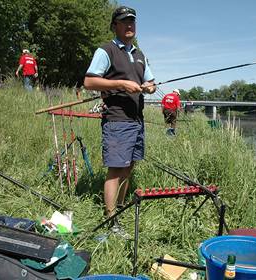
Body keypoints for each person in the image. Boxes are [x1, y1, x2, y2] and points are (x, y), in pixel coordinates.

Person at [84, 6, 156, 236]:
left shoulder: (140, 55)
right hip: (117, 120)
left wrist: (149, 87)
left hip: (137, 119)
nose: (130, 25)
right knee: (116, 169)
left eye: (132, 21)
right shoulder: (106, 51)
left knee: (129, 167)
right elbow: (89, 82)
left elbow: (152, 83)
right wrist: (121, 84)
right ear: (115, 26)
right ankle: (111, 219)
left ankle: (120, 209)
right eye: (124, 22)